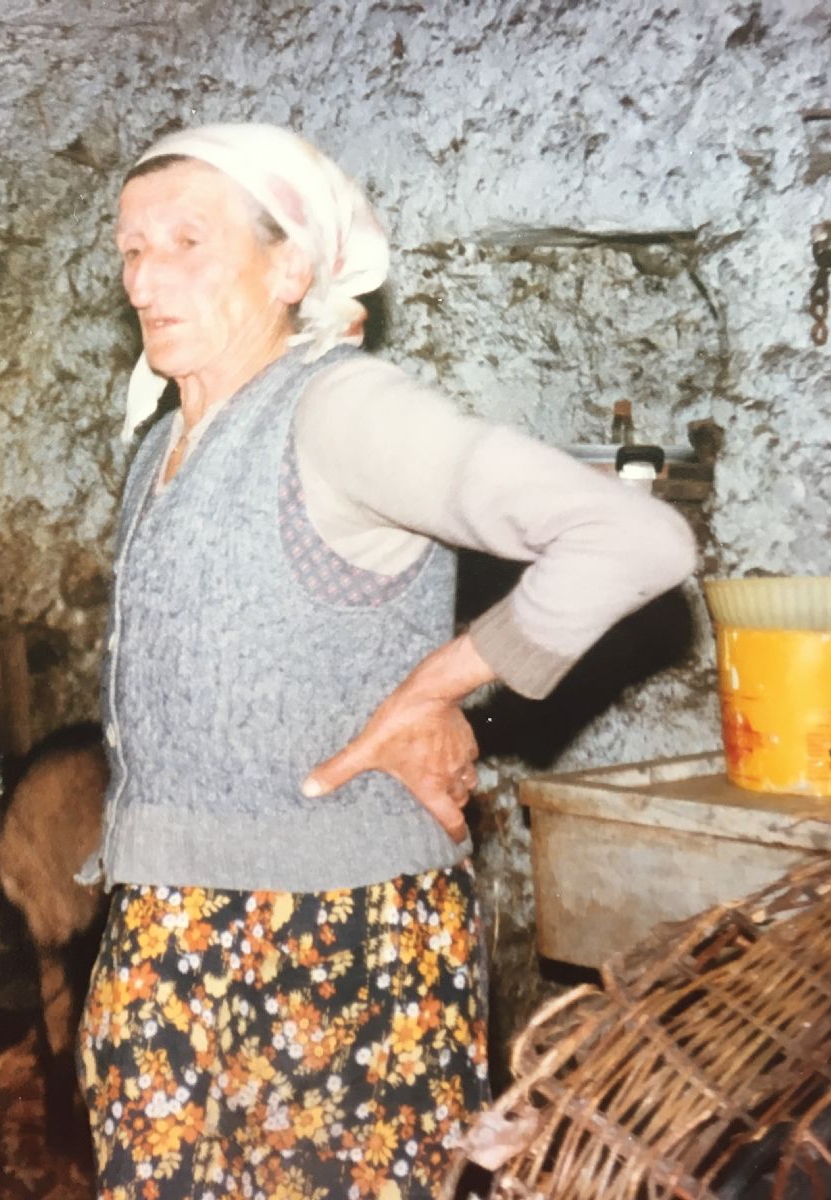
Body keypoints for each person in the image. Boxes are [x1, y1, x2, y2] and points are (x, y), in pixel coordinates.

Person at [74, 123, 697, 1200]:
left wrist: (436, 687)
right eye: (131, 249)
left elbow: (633, 537)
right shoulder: (160, 448)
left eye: (185, 242)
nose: (144, 278)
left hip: (336, 937)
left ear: (290, 268)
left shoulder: (337, 408)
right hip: (163, 934)